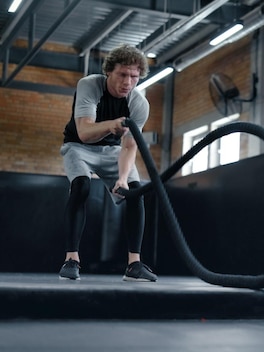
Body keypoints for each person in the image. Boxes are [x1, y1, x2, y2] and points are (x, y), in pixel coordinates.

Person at [58, 44, 157, 282]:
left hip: (113, 150)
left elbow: (130, 146)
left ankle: (134, 264)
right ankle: (71, 259)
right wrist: (111, 125)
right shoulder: (89, 85)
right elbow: (83, 131)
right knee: (81, 186)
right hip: (78, 147)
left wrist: (122, 179)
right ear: (109, 72)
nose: (128, 82)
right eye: (122, 75)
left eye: (134, 76)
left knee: (135, 192)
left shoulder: (139, 103)